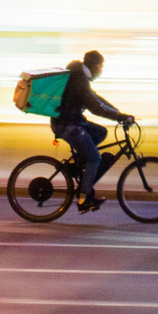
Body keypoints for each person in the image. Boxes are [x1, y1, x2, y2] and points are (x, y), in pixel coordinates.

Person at [51, 50, 133, 213]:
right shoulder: (79, 80)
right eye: (101, 66)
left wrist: (119, 113)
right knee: (95, 158)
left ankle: (76, 165)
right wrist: (119, 117)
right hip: (68, 125)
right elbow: (95, 107)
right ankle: (84, 199)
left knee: (100, 132)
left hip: (73, 121)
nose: (101, 71)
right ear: (95, 66)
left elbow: (96, 99)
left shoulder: (80, 76)